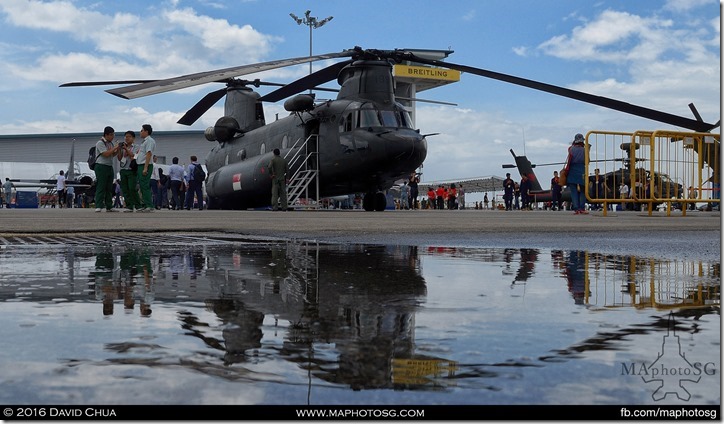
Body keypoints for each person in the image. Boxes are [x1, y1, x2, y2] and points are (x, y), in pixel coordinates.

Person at [94, 126, 121, 212]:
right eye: (111, 135)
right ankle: (98, 205)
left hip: (109, 166)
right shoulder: (100, 143)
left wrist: (118, 149)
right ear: (106, 135)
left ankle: (109, 205)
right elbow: (105, 154)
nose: (113, 137)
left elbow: (112, 155)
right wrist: (115, 148)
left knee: (109, 187)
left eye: (113, 135)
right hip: (101, 166)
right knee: (101, 186)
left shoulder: (110, 144)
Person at [563, 133, 588, 214]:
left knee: (573, 191)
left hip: (572, 170)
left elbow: (569, 160)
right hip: (581, 169)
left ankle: (576, 208)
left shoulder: (571, 149)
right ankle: (582, 208)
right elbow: (587, 161)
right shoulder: (585, 150)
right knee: (583, 190)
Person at [117, 130, 140, 212]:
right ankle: (129, 206)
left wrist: (126, 149)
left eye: (129, 136)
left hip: (131, 169)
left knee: (132, 188)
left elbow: (133, 156)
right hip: (123, 169)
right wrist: (119, 149)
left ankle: (138, 205)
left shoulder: (136, 147)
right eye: (126, 137)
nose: (127, 138)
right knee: (125, 189)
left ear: (133, 138)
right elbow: (119, 158)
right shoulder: (122, 147)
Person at [136, 124, 156, 212]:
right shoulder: (144, 141)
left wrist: (145, 167)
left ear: (146, 131)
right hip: (141, 165)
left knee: (144, 185)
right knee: (142, 185)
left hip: (145, 165)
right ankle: (144, 204)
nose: (140, 132)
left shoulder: (149, 141)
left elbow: (149, 153)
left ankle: (149, 205)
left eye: (142, 130)